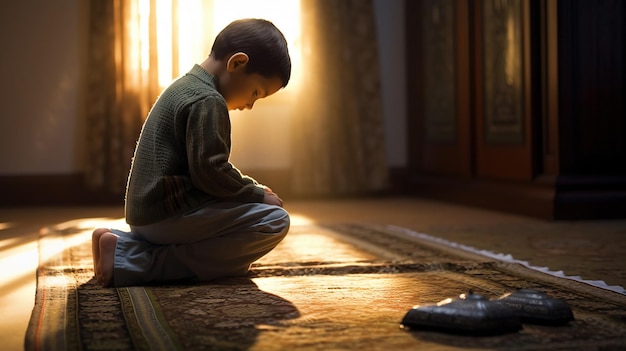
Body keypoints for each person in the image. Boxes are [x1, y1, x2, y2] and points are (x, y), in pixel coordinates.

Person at [91, 18, 292, 287]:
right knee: (275, 220)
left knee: (242, 215)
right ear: (237, 63)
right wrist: (257, 193)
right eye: (255, 93)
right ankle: (134, 262)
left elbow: (206, 171)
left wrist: (250, 192)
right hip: (166, 215)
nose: (250, 106)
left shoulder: (185, 86)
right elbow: (210, 172)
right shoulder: (208, 100)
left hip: (146, 216)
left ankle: (120, 243)